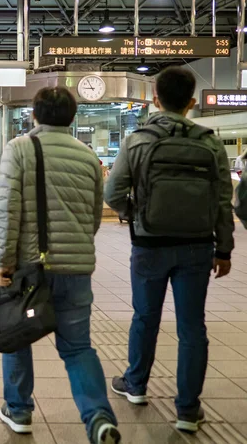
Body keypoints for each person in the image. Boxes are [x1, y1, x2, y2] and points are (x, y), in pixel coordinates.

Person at [104, 66, 234, 433]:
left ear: (155, 100)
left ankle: (136, 385)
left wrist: (136, 214)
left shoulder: (138, 140)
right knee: (193, 326)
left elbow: (112, 194)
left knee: (145, 317)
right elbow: (223, 201)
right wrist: (223, 249)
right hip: (196, 246)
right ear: (192, 102)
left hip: (149, 243)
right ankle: (188, 410)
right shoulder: (209, 142)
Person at [0, 87, 120, 444]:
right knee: (78, 347)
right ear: (72, 117)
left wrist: (4, 263)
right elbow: (95, 216)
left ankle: (19, 411)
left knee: (18, 337)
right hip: (77, 269)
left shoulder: (19, 149)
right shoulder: (87, 157)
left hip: (30, 268)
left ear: (34, 115)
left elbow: (8, 213)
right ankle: (98, 418)